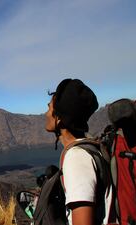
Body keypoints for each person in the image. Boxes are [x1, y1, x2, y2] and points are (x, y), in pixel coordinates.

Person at [44, 79, 114, 225]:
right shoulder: (91, 147)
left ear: (58, 119)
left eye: (49, 108)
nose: (46, 113)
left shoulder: (77, 158)